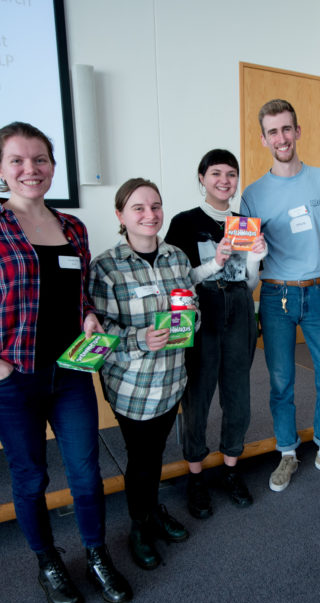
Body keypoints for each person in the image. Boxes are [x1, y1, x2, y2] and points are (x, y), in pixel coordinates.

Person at [0, 121, 131, 603]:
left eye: (40, 159)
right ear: (0, 168)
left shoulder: (73, 228)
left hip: (70, 374)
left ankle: (96, 552)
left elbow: (79, 293)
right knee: (30, 477)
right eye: (17, 160)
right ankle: (47, 561)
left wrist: (87, 315)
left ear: (53, 167)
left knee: (87, 472)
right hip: (12, 379)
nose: (30, 169)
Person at [239, 98, 320, 493]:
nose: (281, 137)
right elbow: (246, 255)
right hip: (275, 297)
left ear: (298, 131)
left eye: (287, 128)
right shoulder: (253, 195)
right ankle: (287, 452)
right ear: (264, 139)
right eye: (273, 131)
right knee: (281, 381)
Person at [88, 178, 194, 571]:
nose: (150, 215)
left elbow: (190, 307)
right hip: (132, 386)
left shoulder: (178, 258)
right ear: (120, 216)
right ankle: (139, 524)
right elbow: (98, 331)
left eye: (156, 206)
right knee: (141, 458)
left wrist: (191, 322)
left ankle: (150, 511)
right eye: (138, 208)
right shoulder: (106, 267)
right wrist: (139, 339)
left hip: (171, 380)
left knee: (155, 453)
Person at [165, 149, 267, 519]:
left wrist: (256, 256)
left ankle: (231, 468)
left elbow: (250, 282)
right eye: (216, 173)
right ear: (202, 177)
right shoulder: (184, 222)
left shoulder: (245, 222)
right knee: (198, 394)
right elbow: (178, 282)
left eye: (231, 174)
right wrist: (215, 263)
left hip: (240, 309)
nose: (224, 181)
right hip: (202, 309)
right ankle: (195, 474)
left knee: (238, 393)